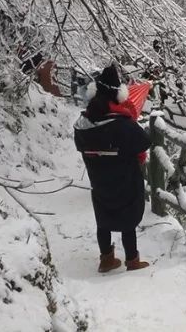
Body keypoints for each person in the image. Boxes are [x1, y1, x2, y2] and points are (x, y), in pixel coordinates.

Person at [73, 65, 152, 273]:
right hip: (125, 178)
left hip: (99, 179)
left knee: (103, 217)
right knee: (127, 219)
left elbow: (80, 144)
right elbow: (144, 141)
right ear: (117, 95)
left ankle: (106, 259)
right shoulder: (122, 124)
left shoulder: (84, 123)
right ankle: (132, 260)